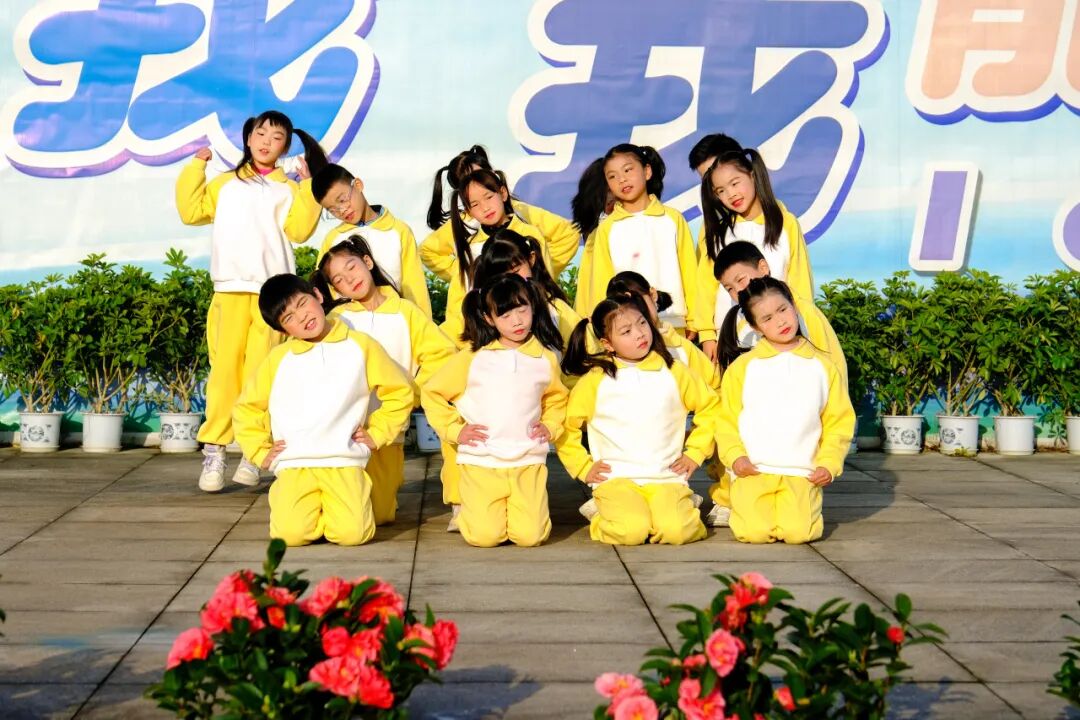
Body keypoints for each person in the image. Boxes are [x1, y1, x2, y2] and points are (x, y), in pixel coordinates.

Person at [176, 110, 326, 492]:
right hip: (229, 290)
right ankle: (214, 450)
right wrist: (196, 166)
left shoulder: (288, 189)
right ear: (248, 138)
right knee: (224, 372)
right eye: (261, 134)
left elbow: (300, 231)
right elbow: (191, 212)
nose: (266, 142)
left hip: (271, 297)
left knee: (262, 375)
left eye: (277, 138)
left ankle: (253, 451)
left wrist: (309, 186)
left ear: (285, 148)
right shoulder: (225, 184)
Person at [233, 274, 414, 546]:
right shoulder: (278, 359)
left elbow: (399, 391)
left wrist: (377, 433)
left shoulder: (360, 345)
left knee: (353, 535)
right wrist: (259, 451)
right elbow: (247, 408)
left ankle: (338, 509)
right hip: (295, 463)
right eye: (289, 318)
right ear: (283, 331)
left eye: (302, 304)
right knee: (290, 535)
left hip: (344, 461)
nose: (302, 317)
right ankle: (311, 509)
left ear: (318, 296)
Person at [314, 236, 457, 525]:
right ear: (335, 289)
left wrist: (414, 392)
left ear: (367, 262)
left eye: (351, 267)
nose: (349, 279)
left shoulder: (405, 311)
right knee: (346, 509)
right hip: (346, 430)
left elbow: (440, 354)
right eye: (339, 279)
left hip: (389, 431)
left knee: (380, 515)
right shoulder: (338, 318)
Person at [420, 275, 568, 548]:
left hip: (528, 460)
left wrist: (551, 425)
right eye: (505, 315)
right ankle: (471, 512)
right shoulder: (473, 357)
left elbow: (557, 398)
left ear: (533, 307)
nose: (517, 321)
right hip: (481, 461)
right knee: (484, 537)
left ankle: (513, 514)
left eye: (522, 310)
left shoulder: (545, 358)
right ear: (489, 319)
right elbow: (433, 392)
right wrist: (455, 429)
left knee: (531, 537)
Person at [557, 295, 718, 546]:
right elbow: (567, 426)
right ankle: (602, 513)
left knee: (677, 531)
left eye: (642, 323)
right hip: (617, 479)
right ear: (607, 343)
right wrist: (582, 467)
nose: (640, 334)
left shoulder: (675, 371)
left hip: (666, 477)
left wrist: (695, 453)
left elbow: (711, 407)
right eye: (626, 331)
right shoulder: (596, 380)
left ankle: (680, 505)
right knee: (631, 531)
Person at [714, 278, 854, 544]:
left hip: (801, 473)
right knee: (752, 533)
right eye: (767, 318)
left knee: (799, 533)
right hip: (754, 471)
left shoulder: (823, 366)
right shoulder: (743, 368)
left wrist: (829, 463)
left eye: (782, 309)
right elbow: (726, 420)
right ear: (755, 326)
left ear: (794, 305)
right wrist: (735, 457)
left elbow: (838, 421)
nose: (780, 321)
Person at [694, 148, 814, 362]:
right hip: (731, 338)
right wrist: (707, 334)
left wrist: (803, 324)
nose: (731, 194)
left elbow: (799, 279)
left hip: (779, 335)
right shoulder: (717, 232)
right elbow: (705, 286)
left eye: (735, 183)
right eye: (721, 190)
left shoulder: (785, 223)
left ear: (752, 174)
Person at [576, 144, 697, 334]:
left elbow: (690, 272)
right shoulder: (607, 229)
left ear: (647, 171)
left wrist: (696, 321)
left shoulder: (672, 219)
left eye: (627, 170)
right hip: (628, 328)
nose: (622, 179)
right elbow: (601, 283)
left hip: (674, 323)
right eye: (612, 176)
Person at [422, 145, 579, 278]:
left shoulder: (520, 211)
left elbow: (568, 234)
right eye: (467, 181)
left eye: (480, 176)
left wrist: (539, 268)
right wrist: (466, 274)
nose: (475, 183)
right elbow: (427, 251)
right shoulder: (463, 222)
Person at [311, 164, 430, 315]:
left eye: (342, 200)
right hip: (351, 323)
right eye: (332, 210)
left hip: (394, 318)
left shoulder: (399, 231)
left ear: (358, 185)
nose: (342, 210)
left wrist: (423, 323)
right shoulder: (332, 240)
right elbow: (326, 291)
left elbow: (414, 288)